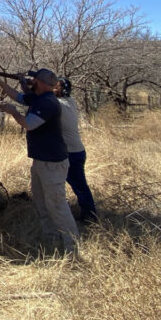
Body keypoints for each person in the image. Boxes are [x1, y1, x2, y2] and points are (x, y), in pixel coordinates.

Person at [0, 68, 80, 254]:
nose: (30, 81)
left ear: (41, 83)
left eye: (33, 79)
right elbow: (18, 95)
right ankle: (51, 241)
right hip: (41, 161)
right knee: (42, 204)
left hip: (53, 163)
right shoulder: (38, 97)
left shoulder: (49, 103)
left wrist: (13, 112)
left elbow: (29, 124)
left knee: (57, 205)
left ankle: (72, 248)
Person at [55, 77, 97, 223]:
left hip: (71, 152)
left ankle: (90, 216)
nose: (52, 89)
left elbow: (37, 98)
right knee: (80, 185)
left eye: (55, 87)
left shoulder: (58, 104)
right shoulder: (70, 101)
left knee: (79, 186)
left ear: (61, 89)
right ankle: (88, 213)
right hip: (78, 151)